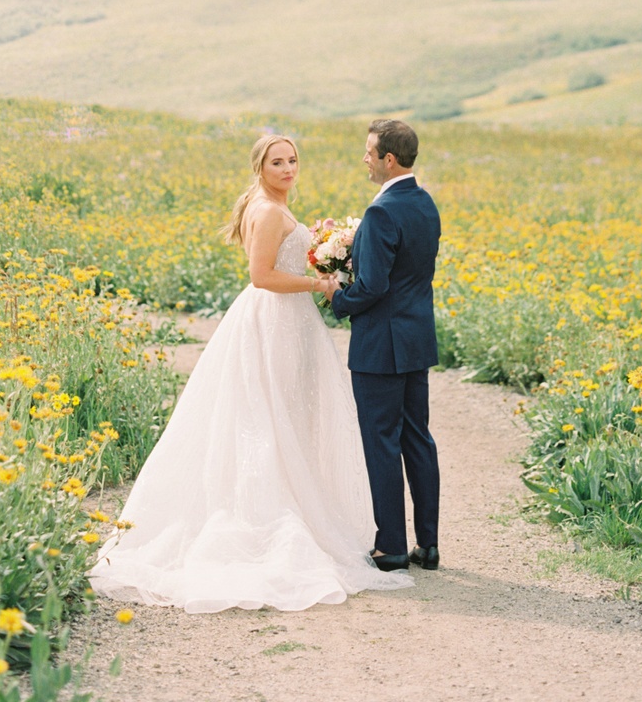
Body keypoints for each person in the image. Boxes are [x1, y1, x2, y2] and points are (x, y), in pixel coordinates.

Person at [88, 133, 413, 613]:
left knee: (286, 417)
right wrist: (319, 282)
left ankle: (292, 500)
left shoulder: (275, 207)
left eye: (293, 160)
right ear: (260, 168)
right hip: (274, 321)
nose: (288, 169)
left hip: (290, 321)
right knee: (269, 417)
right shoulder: (267, 211)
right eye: (277, 162)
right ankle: (268, 515)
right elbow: (261, 276)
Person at [327, 119, 441, 572]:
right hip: (416, 340)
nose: (365, 159)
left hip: (380, 348)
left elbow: (372, 287)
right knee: (418, 440)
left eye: (369, 152)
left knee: (381, 443)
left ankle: (391, 545)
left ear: (388, 159)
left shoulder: (380, 212)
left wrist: (337, 296)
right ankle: (427, 545)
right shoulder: (425, 204)